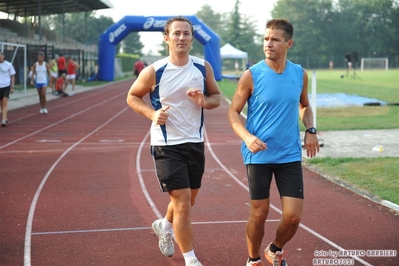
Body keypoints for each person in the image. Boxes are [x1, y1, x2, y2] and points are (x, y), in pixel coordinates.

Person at [126, 16, 221, 266]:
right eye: (176, 33)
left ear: (192, 38)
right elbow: (133, 96)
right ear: (166, 38)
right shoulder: (154, 71)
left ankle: (165, 225)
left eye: (186, 34)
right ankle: (190, 259)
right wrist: (152, 114)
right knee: (182, 203)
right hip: (166, 146)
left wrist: (204, 102)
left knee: (189, 200)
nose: (182, 38)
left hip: (195, 142)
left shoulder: (203, 68)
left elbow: (217, 98)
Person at [227, 18, 320, 266]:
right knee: (259, 213)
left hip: (289, 154)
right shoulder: (251, 75)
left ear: (288, 43)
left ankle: (274, 249)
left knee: (292, 217)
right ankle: (253, 259)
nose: (269, 43)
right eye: (266, 38)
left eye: (275, 39)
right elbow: (233, 112)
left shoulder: (299, 74)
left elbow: (304, 106)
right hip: (258, 154)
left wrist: (310, 129)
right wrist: (247, 137)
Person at [0, 52, 16, 126]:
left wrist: (12, 86)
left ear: (3, 56)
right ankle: (5, 117)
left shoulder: (8, 65)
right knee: (1, 104)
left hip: (6, 85)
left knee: (5, 101)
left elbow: (12, 75)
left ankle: (3, 119)